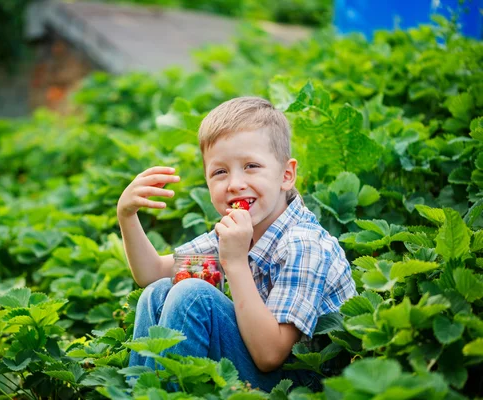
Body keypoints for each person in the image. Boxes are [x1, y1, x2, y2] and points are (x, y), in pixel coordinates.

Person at [116, 96, 357, 392]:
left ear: (286, 175)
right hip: (264, 363)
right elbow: (151, 273)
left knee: (193, 295)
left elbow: (271, 356)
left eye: (251, 166)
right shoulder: (236, 231)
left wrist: (235, 261)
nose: (235, 184)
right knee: (157, 293)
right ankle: (142, 394)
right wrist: (127, 215)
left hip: (305, 384)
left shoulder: (304, 243)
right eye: (220, 172)